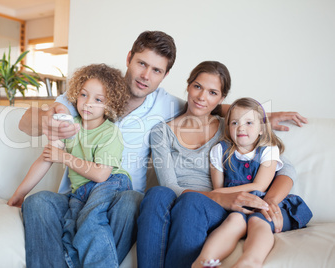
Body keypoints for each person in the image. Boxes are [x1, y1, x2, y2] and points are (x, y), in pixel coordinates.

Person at [17, 31, 308, 265]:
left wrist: (260, 115)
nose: (146, 75)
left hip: (122, 196)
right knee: (37, 202)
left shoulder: (167, 104)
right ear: (129, 58)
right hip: (75, 192)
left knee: (134, 201)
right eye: (141, 63)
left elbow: (207, 106)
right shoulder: (94, 93)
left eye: (156, 70)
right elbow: (24, 123)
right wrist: (49, 118)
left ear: (165, 75)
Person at [136, 61, 306, 268]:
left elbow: (284, 167)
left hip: (215, 208)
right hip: (190, 197)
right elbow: (170, 186)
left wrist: (268, 201)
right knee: (156, 194)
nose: (201, 97)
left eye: (212, 92)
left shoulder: (232, 127)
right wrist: (217, 195)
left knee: (192, 202)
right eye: (197, 87)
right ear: (188, 86)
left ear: (221, 98)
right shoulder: (161, 132)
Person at [8, 64, 133, 267]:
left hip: (111, 183)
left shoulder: (110, 132)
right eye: (84, 95)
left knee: (91, 222)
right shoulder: (69, 125)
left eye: (98, 100)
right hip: (81, 192)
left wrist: (64, 157)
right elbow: (46, 158)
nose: (87, 104)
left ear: (110, 105)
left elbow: (101, 174)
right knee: (69, 227)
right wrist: (20, 193)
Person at [191, 97, 312, 268]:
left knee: (258, 220)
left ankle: (249, 262)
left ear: (262, 128)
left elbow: (259, 187)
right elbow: (217, 189)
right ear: (228, 127)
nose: (240, 127)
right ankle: (204, 261)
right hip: (237, 206)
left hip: (265, 205)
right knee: (233, 220)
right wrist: (217, 195)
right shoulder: (220, 150)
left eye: (249, 122)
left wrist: (216, 195)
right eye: (234, 123)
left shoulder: (268, 150)